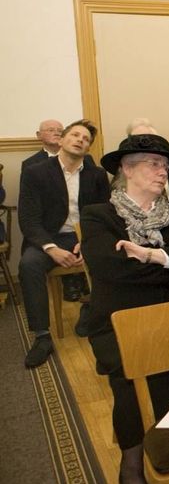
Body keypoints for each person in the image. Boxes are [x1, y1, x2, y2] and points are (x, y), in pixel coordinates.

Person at [80, 134, 169, 484]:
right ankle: (133, 462)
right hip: (122, 322)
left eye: (166, 166)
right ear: (126, 168)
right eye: (154, 164)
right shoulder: (99, 217)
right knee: (133, 375)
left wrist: (152, 255)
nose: (163, 171)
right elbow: (110, 269)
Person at [18, 120, 110, 367]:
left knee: (113, 256)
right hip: (48, 237)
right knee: (29, 265)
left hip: (83, 235)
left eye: (86, 139)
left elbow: (103, 215)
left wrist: (86, 241)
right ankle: (42, 336)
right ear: (61, 140)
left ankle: (91, 310)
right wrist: (51, 248)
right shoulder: (35, 172)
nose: (80, 140)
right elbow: (28, 219)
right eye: (75, 135)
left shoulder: (97, 174)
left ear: (89, 148)